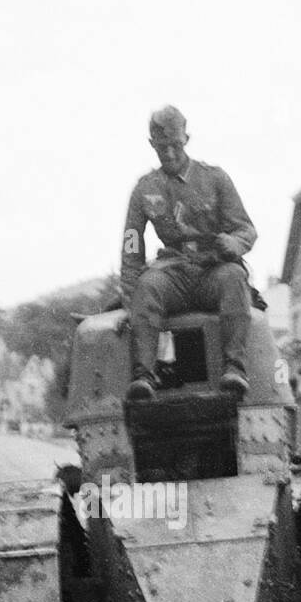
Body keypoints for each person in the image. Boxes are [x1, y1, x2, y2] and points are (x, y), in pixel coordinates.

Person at [119, 105, 258, 402]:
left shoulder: (215, 178)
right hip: (172, 273)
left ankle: (235, 369)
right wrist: (131, 300)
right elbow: (131, 246)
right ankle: (144, 375)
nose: (168, 153)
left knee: (234, 278)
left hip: (212, 269)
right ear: (152, 145)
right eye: (161, 147)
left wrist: (234, 244)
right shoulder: (144, 190)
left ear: (187, 139)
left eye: (175, 145)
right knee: (147, 287)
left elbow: (246, 229)